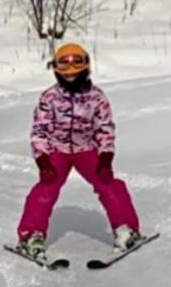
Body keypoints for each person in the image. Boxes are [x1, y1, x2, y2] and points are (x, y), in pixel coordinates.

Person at [15, 42, 144, 260]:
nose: (71, 75)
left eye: (77, 68)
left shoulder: (97, 98)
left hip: (87, 150)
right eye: (64, 69)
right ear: (56, 70)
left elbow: (105, 128)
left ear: (86, 68)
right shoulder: (49, 98)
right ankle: (31, 235)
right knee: (45, 189)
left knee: (109, 185)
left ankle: (126, 230)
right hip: (56, 150)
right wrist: (43, 162)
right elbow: (40, 131)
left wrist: (105, 158)